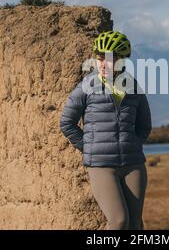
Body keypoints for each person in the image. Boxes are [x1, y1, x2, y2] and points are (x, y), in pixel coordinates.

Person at [60, 30, 152, 230]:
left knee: (135, 224)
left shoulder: (133, 87)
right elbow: (67, 122)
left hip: (133, 164)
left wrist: (133, 144)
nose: (103, 64)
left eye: (109, 59)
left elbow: (145, 125)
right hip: (102, 166)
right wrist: (89, 147)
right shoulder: (86, 87)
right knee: (118, 221)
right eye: (100, 58)